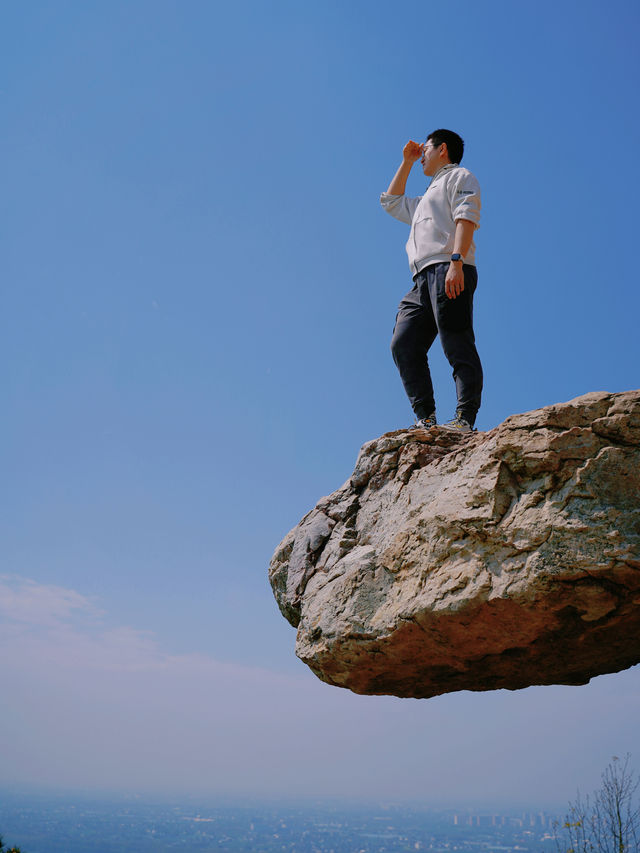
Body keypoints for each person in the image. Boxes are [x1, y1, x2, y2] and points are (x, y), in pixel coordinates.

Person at [381, 129, 483, 432]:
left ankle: (465, 419)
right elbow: (391, 202)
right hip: (420, 279)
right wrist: (407, 162)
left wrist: (456, 262)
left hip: (449, 268)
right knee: (404, 344)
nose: (422, 153)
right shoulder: (426, 197)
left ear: (443, 149)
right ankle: (425, 418)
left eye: (425, 149)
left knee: (456, 341)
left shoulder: (460, 177)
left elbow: (467, 218)